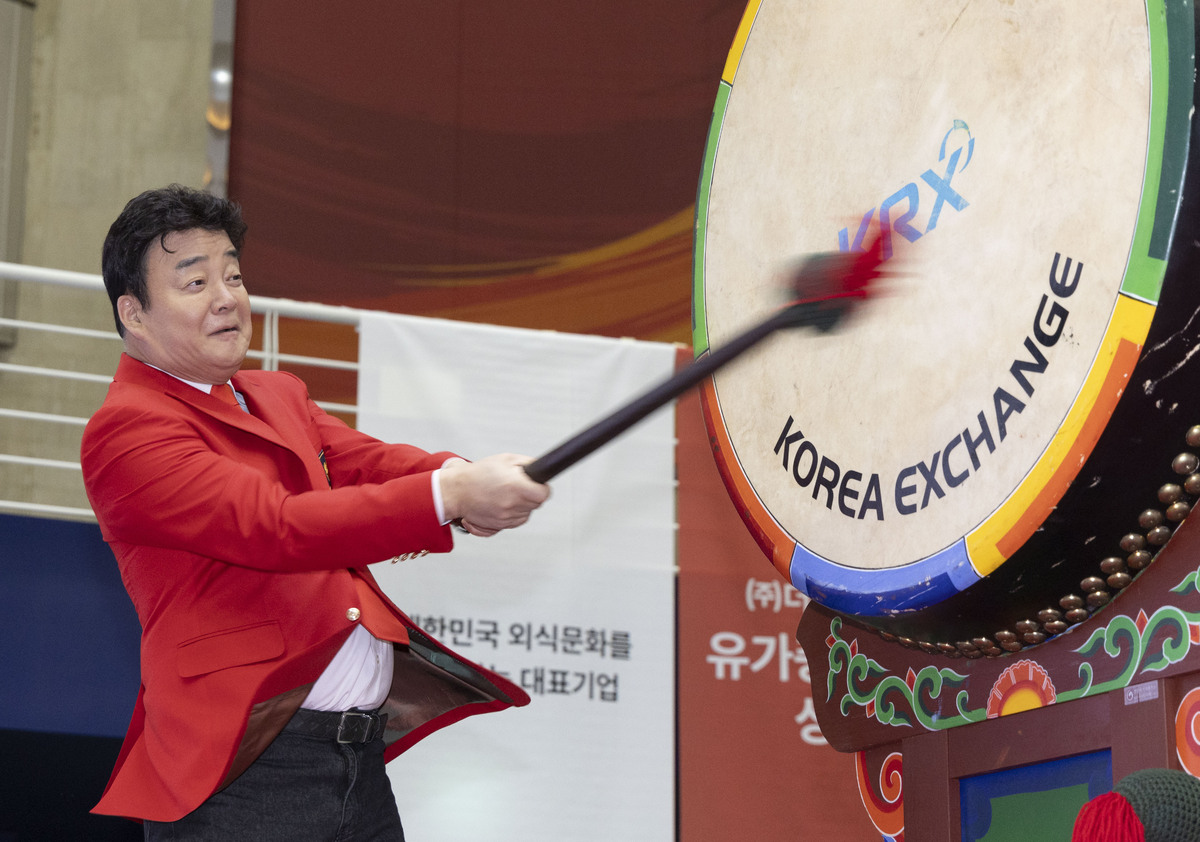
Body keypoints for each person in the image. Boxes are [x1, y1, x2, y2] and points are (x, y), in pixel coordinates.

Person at [81, 184, 551, 840]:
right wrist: (451, 499)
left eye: (234, 275)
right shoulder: (127, 430)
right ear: (134, 313)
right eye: (194, 283)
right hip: (247, 773)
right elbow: (276, 525)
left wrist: (459, 478)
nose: (227, 298)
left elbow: (366, 463)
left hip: (356, 763)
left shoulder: (275, 394)